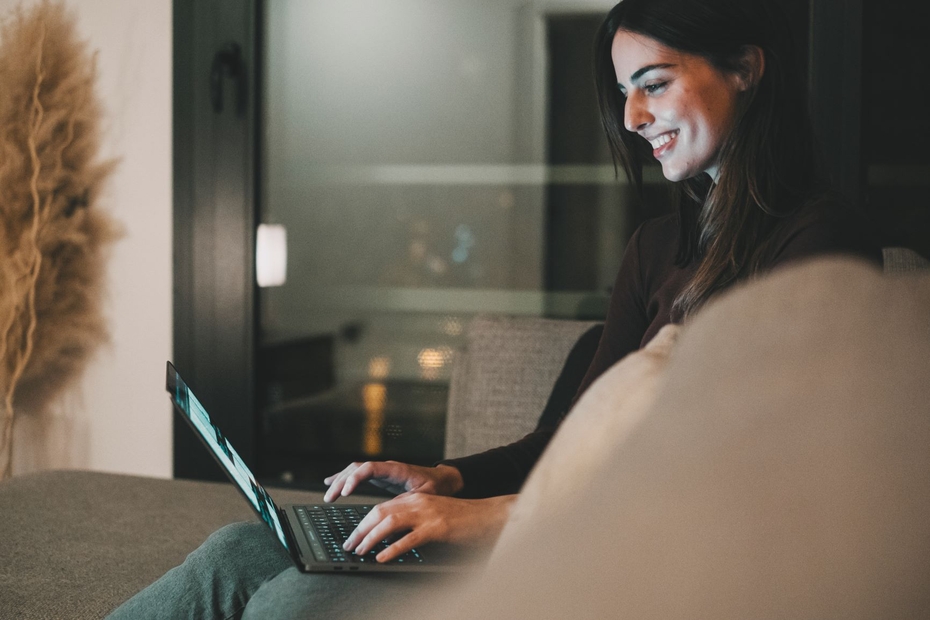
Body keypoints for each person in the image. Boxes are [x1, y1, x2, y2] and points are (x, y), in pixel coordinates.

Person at [108, 0, 880, 617]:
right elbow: (564, 444)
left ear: (745, 68)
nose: (634, 119)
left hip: (627, 565)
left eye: (653, 82)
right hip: (539, 530)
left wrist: (489, 522)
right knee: (235, 553)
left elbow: (748, 485)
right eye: (623, 94)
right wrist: (442, 478)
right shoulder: (655, 249)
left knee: (293, 600)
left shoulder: (821, 248)